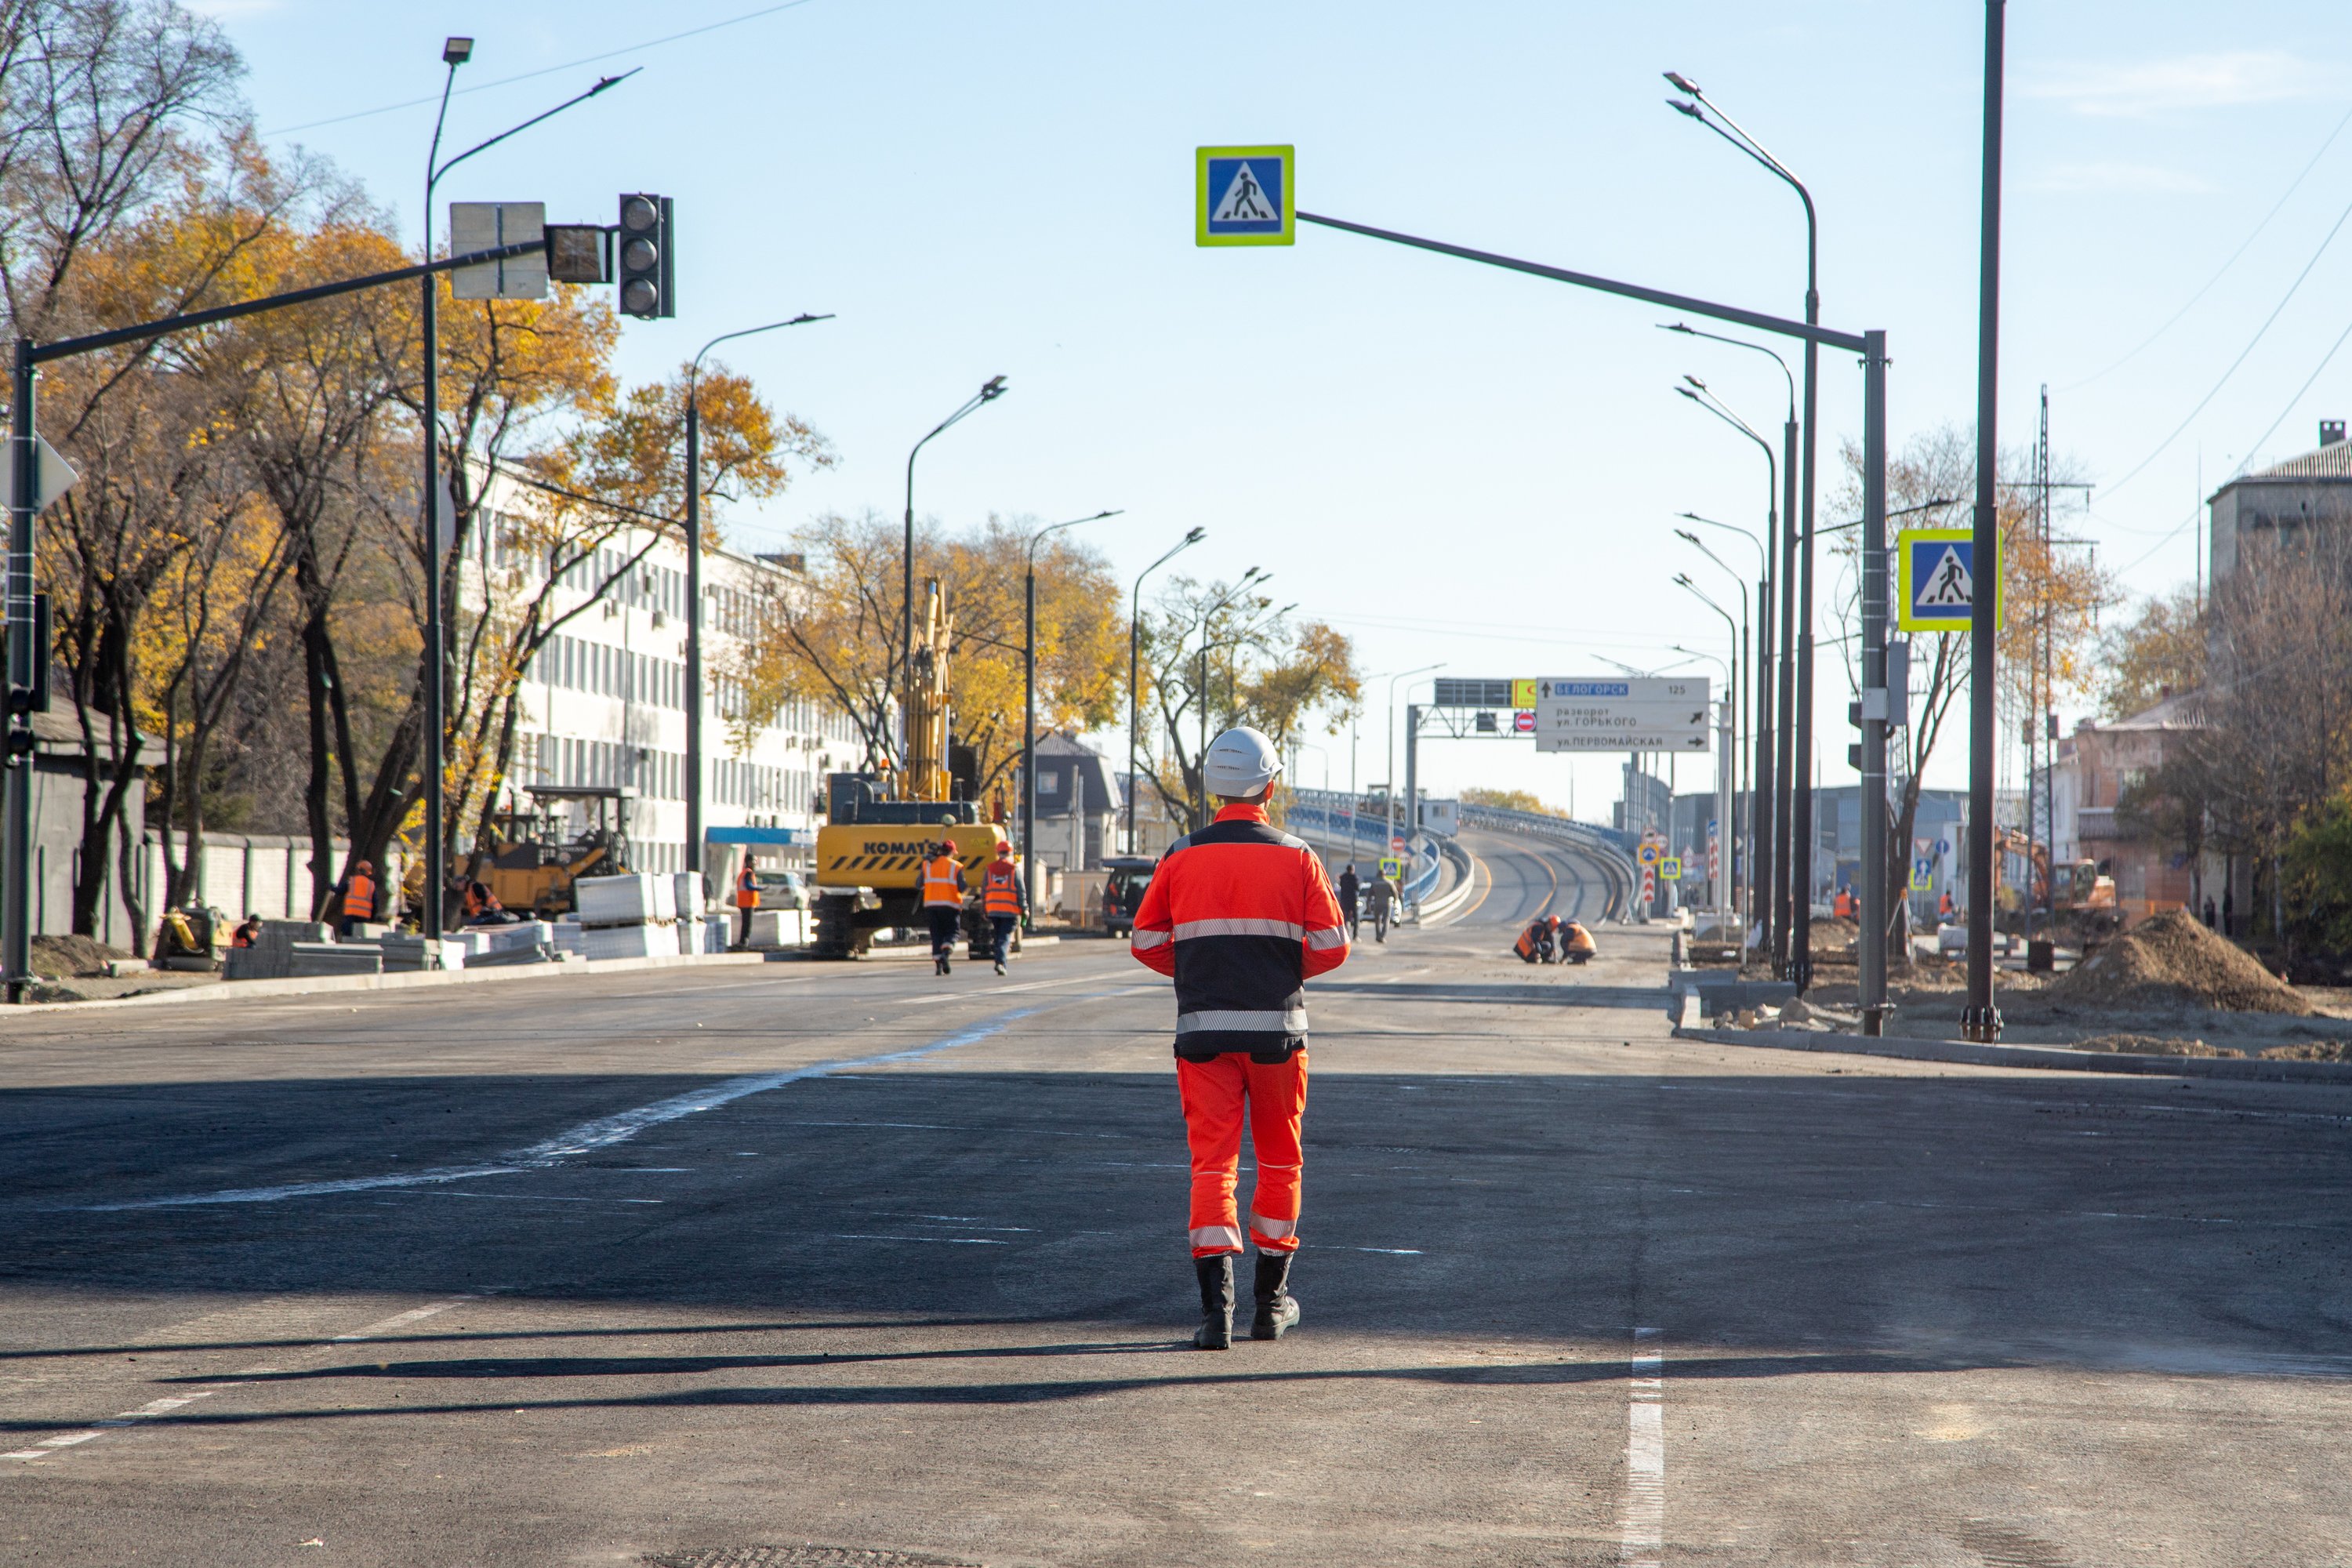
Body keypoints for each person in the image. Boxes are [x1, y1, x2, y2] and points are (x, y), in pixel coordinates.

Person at [1130, 725, 1348, 1350]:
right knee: (1280, 1161)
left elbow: (1146, 941)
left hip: (1201, 1034)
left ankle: (1214, 1316)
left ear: (1210, 788)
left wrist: (1202, 970)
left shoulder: (1179, 855)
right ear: (1271, 785)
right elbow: (1332, 946)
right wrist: (1276, 969)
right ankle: (1270, 1305)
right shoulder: (1298, 856)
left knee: (1212, 1167)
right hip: (1278, 1035)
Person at [920, 838, 967, 976]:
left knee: (936, 935)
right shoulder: (955, 866)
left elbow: (918, 884)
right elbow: (962, 886)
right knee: (952, 933)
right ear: (952, 852)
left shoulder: (927, 865)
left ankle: (938, 967)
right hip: (950, 906)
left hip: (931, 905)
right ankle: (946, 953)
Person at [980, 844, 1027, 975]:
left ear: (998, 852)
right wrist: (1024, 909)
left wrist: (984, 909)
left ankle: (1000, 961)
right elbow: (1021, 892)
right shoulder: (1014, 870)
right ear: (1010, 853)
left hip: (994, 910)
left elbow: (984, 891)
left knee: (998, 936)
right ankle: (1000, 962)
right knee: (1004, 937)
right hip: (1010, 910)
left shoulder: (989, 870)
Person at [339, 859, 376, 939]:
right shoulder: (371, 884)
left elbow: (340, 891)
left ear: (358, 870)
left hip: (351, 914)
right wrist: (372, 919)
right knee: (361, 939)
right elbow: (375, 903)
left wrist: (331, 887)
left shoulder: (351, 881)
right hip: (365, 916)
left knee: (347, 937)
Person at [735, 855, 760, 949]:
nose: (756, 863)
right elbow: (749, 886)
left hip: (744, 902)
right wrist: (760, 889)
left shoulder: (744, 872)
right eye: (754, 861)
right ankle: (744, 943)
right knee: (747, 924)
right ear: (749, 862)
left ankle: (743, 942)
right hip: (747, 902)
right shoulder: (748, 873)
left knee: (745, 923)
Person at [1367, 868, 1398, 942]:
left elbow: (1369, 895)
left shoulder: (1374, 883)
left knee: (1377, 920)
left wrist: (1368, 905)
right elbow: (1395, 893)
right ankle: (1382, 936)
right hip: (1386, 904)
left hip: (1377, 904)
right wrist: (1395, 901)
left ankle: (1378, 935)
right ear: (1385, 874)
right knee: (1386, 920)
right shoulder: (1389, 883)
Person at [1337, 863, 1361, 943]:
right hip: (1353, 900)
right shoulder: (1354, 877)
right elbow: (1357, 888)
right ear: (1352, 869)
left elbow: (1341, 886)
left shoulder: (1343, 877)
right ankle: (1355, 936)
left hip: (1344, 900)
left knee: (1344, 917)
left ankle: (1345, 935)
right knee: (1356, 918)